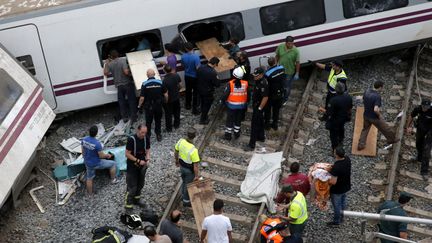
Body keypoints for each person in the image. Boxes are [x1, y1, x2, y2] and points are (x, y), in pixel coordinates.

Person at [358, 81, 399, 150]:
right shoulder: (377, 96)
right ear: (380, 87)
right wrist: (379, 115)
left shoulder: (367, 91)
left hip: (366, 115)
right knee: (386, 128)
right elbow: (376, 109)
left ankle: (361, 145)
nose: (382, 89)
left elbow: (363, 99)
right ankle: (392, 139)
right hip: (374, 118)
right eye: (382, 88)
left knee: (365, 130)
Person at [81, 125, 118, 195]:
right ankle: (113, 179)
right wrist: (107, 155)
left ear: (89, 132)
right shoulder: (97, 143)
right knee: (113, 164)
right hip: (96, 163)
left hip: (87, 162)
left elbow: (83, 151)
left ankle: (90, 193)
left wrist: (86, 159)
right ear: (96, 133)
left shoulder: (84, 140)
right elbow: (101, 156)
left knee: (89, 178)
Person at [104, 49, 137, 123]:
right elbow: (126, 72)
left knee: (122, 102)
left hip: (119, 86)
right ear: (118, 54)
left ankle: (124, 117)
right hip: (127, 83)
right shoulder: (122, 60)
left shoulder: (110, 64)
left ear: (111, 56)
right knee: (131, 101)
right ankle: (133, 117)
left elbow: (105, 73)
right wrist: (131, 74)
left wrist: (106, 63)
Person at [124, 124, 151, 209]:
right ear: (137, 130)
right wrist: (138, 161)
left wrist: (148, 159)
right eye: (142, 132)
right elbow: (127, 154)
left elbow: (148, 150)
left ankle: (137, 200)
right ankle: (128, 205)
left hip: (142, 166)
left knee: (140, 184)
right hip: (132, 166)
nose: (143, 134)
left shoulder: (146, 138)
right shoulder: (131, 140)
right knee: (132, 186)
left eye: (145, 133)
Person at [138, 69, 168, 141]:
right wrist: (165, 102)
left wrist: (139, 106)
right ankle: (158, 135)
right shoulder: (160, 82)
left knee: (148, 122)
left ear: (147, 75)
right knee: (158, 120)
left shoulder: (144, 84)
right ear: (154, 74)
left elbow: (142, 98)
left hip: (149, 107)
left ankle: (148, 136)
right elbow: (166, 94)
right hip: (158, 105)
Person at [406, 99, 432, 179]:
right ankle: (419, 157)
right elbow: (411, 115)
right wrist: (408, 126)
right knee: (418, 143)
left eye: (426, 107)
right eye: (424, 107)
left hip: (430, 131)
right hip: (421, 128)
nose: (425, 109)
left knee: (426, 150)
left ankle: (424, 171)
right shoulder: (418, 108)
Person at [174, 128, 200, 207]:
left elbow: (176, 152)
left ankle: (182, 195)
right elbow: (195, 166)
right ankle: (186, 201)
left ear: (187, 135)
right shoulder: (193, 150)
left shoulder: (180, 141)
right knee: (188, 185)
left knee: (184, 181)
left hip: (182, 166)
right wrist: (196, 176)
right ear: (194, 137)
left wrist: (176, 161)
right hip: (189, 171)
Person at [245, 67, 268, 151]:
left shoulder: (263, 83)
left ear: (261, 75)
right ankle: (261, 137)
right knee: (260, 121)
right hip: (256, 105)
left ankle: (251, 144)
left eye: (256, 75)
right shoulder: (258, 81)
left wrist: (259, 108)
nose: (254, 77)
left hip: (259, 106)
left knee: (254, 125)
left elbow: (265, 97)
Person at [324, 82, 353, 151]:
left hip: (335, 120)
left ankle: (335, 149)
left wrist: (322, 110)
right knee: (341, 128)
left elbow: (329, 113)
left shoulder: (333, 100)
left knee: (333, 135)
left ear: (336, 90)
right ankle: (341, 139)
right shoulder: (348, 97)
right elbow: (350, 107)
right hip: (344, 118)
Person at [223, 66, 249, 140]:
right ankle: (237, 133)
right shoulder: (246, 83)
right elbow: (248, 95)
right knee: (238, 120)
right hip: (241, 106)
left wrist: (222, 101)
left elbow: (225, 94)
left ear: (233, 75)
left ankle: (228, 135)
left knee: (230, 120)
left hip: (231, 106)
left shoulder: (230, 84)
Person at [327, 146, 351, 226]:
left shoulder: (337, 167)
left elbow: (333, 182)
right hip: (346, 186)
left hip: (337, 190)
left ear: (336, 155)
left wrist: (327, 179)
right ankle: (342, 215)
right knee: (343, 201)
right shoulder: (347, 159)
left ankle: (336, 221)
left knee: (337, 206)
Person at [275, 36, 300, 102]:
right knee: (281, 85)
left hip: (289, 72)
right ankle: (280, 96)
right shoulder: (280, 47)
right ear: (285, 43)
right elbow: (277, 56)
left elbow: (297, 62)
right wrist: (275, 65)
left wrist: (297, 73)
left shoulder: (295, 51)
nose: (291, 45)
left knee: (287, 87)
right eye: (289, 43)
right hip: (280, 70)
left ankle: (285, 99)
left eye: (292, 43)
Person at [196, 57, 220, 124]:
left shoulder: (200, 68)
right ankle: (203, 120)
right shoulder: (212, 73)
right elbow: (217, 85)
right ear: (215, 64)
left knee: (203, 103)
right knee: (207, 106)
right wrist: (217, 78)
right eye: (216, 65)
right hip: (208, 92)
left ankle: (203, 114)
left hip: (200, 90)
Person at [265, 57, 286, 131]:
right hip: (280, 93)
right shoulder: (282, 68)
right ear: (276, 62)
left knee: (268, 110)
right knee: (276, 110)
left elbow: (266, 83)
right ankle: (275, 124)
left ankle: (267, 125)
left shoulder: (267, 73)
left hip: (271, 95)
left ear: (269, 64)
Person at [181, 42, 201, 114]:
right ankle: (195, 106)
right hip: (195, 76)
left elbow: (182, 65)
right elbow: (198, 68)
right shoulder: (196, 56)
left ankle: (188, 105)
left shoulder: (183, 56)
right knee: (196, 92)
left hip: (187, 75)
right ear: (192, 48)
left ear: (186, 49)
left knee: (188, 90)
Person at [162, 65, 181, 132]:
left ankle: (169, 128)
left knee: (168, 114)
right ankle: (177, 124)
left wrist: (166, 101)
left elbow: (166, 94)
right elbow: (179, 85)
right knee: (177, 112)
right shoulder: (176, 75)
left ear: (164, 71)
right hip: (176, 98)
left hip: (170, 100)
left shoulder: (164, 81)